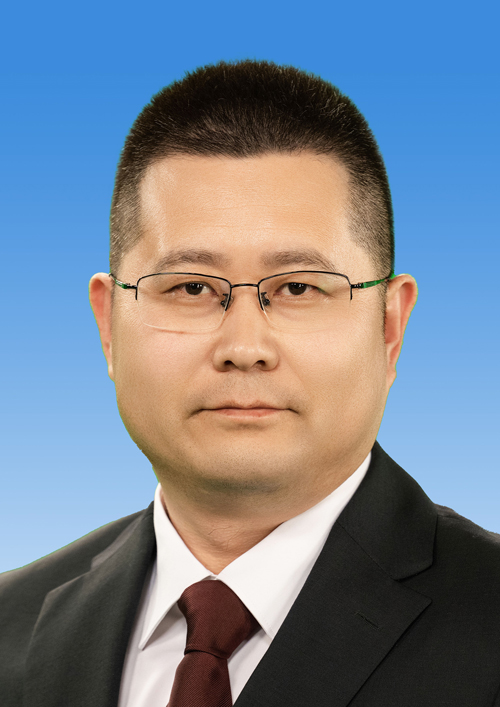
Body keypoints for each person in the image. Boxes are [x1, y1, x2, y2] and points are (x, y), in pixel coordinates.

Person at [1, 59, 499, 707]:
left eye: (298, 287)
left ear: (389, 327)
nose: (244, 348)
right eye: (190, 288)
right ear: (108, 324)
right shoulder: (11, 626)